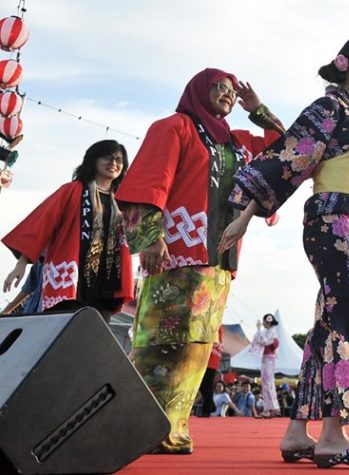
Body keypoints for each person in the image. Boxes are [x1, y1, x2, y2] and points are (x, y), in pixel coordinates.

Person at [220, 38, 349, 469]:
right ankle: (334, 434)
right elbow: (287, 159)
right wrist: (245, 215)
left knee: (328, 323)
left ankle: (298, 431)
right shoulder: (328, 109)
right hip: (335, 219)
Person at [115, 68, 282, 454]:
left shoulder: (237, 142)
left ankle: (170, 429)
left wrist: (258, 110)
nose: (226, 94)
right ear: (198, 91)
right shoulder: (174, 127)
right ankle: (135, 426)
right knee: (159, 342)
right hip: (175, 253)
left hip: (219, 258)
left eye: (231, 91)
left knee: (197, 347)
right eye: (218, 88)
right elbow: (150, 180)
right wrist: (150, 237)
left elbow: (284, 151)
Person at [3, 140, 134, 322]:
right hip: (70, 278)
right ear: (93, 160)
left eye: (119, 159)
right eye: (107, 157)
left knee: (92, 339)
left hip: (106, 282)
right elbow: (42, 223)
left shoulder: (124, 202)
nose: (113, 163)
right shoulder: (72, 190)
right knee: (60, 335)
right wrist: (21, 264)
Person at [251, 313, 281, 418]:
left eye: (264, 321)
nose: (263, 323)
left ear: (267, 322)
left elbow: (263, 341)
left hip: (269, 358)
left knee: (267, 383)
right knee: (268, 383)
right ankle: (272, 408)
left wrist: (259, 329)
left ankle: (269, 409)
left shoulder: (271, 332)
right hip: (267, 358)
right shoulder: (270, 332)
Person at [199, 326, 224, 417]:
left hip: (213, 355)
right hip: (203, 356)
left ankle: (206, 410)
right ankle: (211, 405)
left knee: (207, 385)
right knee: (201, 384)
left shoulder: (217, 323)